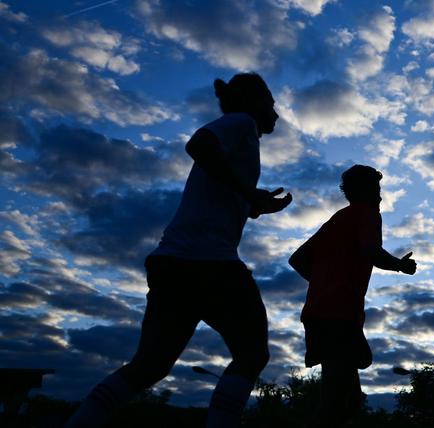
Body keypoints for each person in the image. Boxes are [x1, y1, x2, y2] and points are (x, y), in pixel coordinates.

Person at [66, 73, 292, 428]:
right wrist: (250, 194)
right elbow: (199, 145)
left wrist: (255, 204)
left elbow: (218, 191)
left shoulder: (239, 136)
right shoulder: (241, 122)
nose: (276, 114)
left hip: (172, 262)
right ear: (255, 102)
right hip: (210, 262)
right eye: (273, 105)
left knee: (150, 365)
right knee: (252, 353)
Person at [288, 165, 416, 427]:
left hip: (322, 315)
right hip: (337, 315)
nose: (380, 198)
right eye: (377, 191)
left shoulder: (337, 220)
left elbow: (297, 260)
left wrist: (325, 282)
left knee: (349, 400)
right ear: (365, 191)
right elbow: (371, 250)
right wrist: (400, 266)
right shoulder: (365, 214)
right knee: (336, 401)